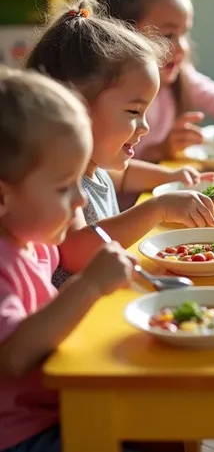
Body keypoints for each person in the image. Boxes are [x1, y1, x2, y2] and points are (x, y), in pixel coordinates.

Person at [26, 0, 214, 287]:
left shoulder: (94, 165)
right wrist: (157, 208)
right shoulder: (63, 180)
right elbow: (75, 251)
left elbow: (124, 176)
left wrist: (170, 177)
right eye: (133, 112)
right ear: (75, 107)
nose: (145, 127)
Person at [0, 68, 137, 452]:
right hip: (22, 436)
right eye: (64, 187)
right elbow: (15, 356)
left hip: (56, 406)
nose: (80, 202)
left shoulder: (35, 241)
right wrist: (89, 285)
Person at [97, 0, 214, 161]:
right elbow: (109, 173)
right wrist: (160, 151)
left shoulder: (182, 76)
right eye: (169, 35)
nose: (183, 48)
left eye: (183, 33)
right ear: (123, 35)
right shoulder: (104, 97)